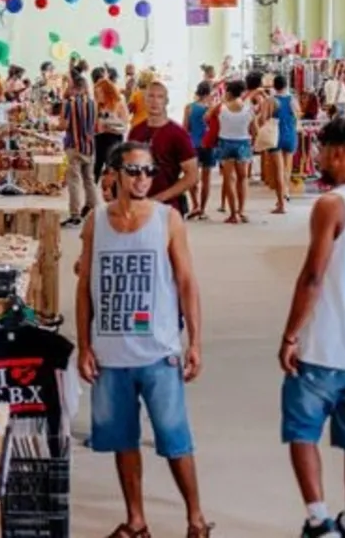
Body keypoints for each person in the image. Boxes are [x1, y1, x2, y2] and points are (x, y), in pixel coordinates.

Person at [77, 141, 210, 538]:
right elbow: (84, 288)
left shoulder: (167, 219)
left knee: (175, 439)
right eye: (134, 171)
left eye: (148, 171)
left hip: (159, 352)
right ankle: (136, 520)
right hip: (110, 354)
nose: (142, 179)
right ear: (114, 174)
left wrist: (196, 342)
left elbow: (187, 282)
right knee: (123, 440)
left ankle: (196, 519)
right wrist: (85, 345)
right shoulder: (95, 221)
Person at [278, 118, 345, 538]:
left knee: (303, 431)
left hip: (322, 347)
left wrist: (290, 335)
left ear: (341, 152)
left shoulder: (332, 206)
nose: (319, 157)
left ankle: (319, 519)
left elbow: (313, 278)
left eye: (323, 149)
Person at [128, 80, 199, 216]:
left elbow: (192, 175)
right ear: (144, 99)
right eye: (151, 96)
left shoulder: (178, 134)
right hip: (138, 207)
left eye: (160, 97)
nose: (155, 101)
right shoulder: (136, 132)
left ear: (166, 101)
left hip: (168, 209)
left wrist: (160, 198)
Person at [210, 78, 257, 225]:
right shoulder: (249, 109)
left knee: (228, 179)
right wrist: (252, 143)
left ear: (229, 92)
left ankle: (233, 214)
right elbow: (255, 130)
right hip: (243, 143)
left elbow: (207, 116)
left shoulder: (221, 108)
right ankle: (241, 211)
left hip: (225, 143)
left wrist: (222, 101)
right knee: (243, 179)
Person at [62, 73, 99, 227]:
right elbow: (96, 125)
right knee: (89, 179)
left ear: (74, 87)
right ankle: (94, 209)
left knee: (74, 181)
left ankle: (75, 214)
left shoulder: (69, 103)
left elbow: (63, 125)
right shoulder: (93, 103)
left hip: (74, 146)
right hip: (89, 146)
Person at [266, 74, 303, 215]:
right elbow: (298, 115)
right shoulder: (293, 100)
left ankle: (281, 204)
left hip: (275, 136)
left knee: (278, 171)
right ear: (286, 85)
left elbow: (265, 118)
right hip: (290, 135)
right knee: (287, 169)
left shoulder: (271, 101)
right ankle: (285, 193)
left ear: (274, 86)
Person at [184, 82, 217, 220]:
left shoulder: (189, 108)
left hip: (193, 144)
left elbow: (185, 128)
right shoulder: (212, 109)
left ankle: (195, 205)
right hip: (208, 145)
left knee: (192, 177)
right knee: (206, 178)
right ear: (210, 93)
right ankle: (202, 209)